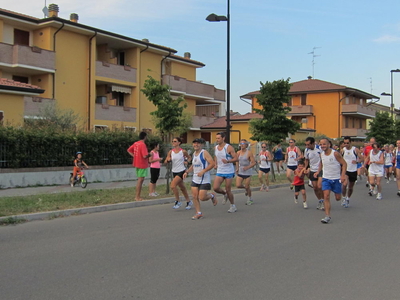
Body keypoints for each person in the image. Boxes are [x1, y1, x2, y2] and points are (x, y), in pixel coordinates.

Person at [183, 138, 217, 220]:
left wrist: (203, 171)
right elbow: (193, 165)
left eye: (198, 143)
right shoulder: (194, 153)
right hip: (195, 178)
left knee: (202, 197)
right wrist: (187, 172)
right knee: (194, 196)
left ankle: (212, 195)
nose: (196, 145)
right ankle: (198, 213)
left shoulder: (204, 153)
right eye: (194, 143)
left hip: (204, 178)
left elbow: (212, 163)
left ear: (202, 145)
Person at [317, 138, 347, 224]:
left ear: (329, 145)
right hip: (326, 178)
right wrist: (318, 171)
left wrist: (342, 175)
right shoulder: (321, 154)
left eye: (324, 144)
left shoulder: (335, 154)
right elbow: (322, 163)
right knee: (326, 196)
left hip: (336, 179)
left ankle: (339, 194)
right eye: (321, 144)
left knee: (338, 198)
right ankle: (327, 216)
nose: (322, 146)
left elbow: (344, 164)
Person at [213, 132, 238, 213]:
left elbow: (236, 158)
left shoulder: (228, 147)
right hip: (220, 170)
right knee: (216, 188)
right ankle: (224, 194)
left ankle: (232, 205)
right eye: (216, 138)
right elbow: (216, 156)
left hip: (228, 171)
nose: (217, 140)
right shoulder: (216, 148)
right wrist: (215, 164)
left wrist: (228, 161)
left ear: (223, 138)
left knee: (228, 189)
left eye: (219, 138)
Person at [165, 137, 192, 209]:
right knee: (182, 187)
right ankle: (189, 201)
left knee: (173, 186)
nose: (173, 143)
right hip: (174, 171)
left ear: (179, 142)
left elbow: (189, 157)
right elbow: (165, 161)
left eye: (175, 141)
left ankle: (178, 201)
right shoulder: (171, 152)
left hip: (181, 170)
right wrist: (168, 159)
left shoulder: (183, 151)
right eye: (173, 141)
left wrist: (187, 161)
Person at [127, 131, 152, 201]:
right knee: (140, 180)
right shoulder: (142, 144)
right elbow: (144, 156)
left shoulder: (136, 143)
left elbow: (129, 150)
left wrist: (135, 156)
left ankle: (137, 196)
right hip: (142, 164)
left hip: (136, 163)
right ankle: (137, 197)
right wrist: (150, 155)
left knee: (140, 179)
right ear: (145, 137)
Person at [304, 137, 324, 210]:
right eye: (306, 145)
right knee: (315, 187)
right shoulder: (306, 150)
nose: (307, 146)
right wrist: (305, 168)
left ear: (313, 143)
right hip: (312, 170)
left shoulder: (319, 148)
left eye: (308, 145)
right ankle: (320, 200)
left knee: (319, 186)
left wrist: (319, 169)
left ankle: (324, 201)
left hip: (320, 169)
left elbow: (323, 159)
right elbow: (306, 160)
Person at [341, 136, 361, 208]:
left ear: (350, 143)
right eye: (344, 143)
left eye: (347, 143)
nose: (346, 144)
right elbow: (339, 159)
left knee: (350, 187)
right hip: (345, 170)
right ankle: (343, 198)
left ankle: (348, 198)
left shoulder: (355, 150)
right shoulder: (343, 150)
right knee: (344, 185)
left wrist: (357, 161)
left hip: (353, 170)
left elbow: (362, 158)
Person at [236, 139, 256, 205]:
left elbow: (253, 163)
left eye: (243, 143)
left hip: (248, 171)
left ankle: (250, 199)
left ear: (246, 145)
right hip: (241, 171)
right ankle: (246, 189)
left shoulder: (249, 153)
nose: (242, 145)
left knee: (247, 186)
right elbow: (237, 161)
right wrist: (237, 168)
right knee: (238, 185)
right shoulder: (238, 152)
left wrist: (247, 167)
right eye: (241, 143)